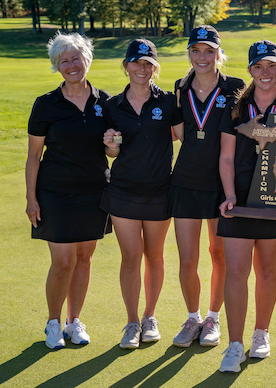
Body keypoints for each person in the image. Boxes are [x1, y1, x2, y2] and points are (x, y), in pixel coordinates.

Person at [217, 40, 276, 373]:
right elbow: (225, 156)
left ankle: (261, 333)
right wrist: (228, 195)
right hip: (238, 201)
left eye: (271, 66)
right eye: (258, 67)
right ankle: (235, 345)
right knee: (236, 272)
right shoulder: (236, 107)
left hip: (274, 202)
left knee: (267, 270)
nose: (265, 73)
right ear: (250, 71)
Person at [26, 32, 111, 350]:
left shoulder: (105, 101)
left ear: (87, 59)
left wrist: (113, 146)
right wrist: (31, 198)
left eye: (76, 58)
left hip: (94, 191)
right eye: (65, 61)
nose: (72, 65)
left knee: (84, 258)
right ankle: (53, 323)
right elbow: (34, 156)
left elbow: (112, 150)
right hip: (55, 193)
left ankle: (75, 322)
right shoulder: (46, 105)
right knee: (63, 261)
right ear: (57, 66)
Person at [101, 38, 183, 350]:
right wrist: (111, 145)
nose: (141, 68)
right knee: (131, 256)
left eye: (148, 63)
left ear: (155, 68)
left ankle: (150, 317)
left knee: (154, 255)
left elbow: (182, 137)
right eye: (136, 62)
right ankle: (132, 322)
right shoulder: (112, 105)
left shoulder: (167, 102)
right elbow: (111, 152)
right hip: (122, 192)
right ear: (126, 65)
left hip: (160, 190)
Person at [169, 25, 245, 348]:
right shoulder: (180, 87)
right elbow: (178, 132)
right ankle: (193, 317)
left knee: (219, 254)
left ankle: (213, 318)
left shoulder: (236, 87)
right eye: (196, 50)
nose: (203, 57)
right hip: (185, 182)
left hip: (221, 185)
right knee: (187, 258)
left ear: (218, 53)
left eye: (209, 51)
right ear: (189, 53)